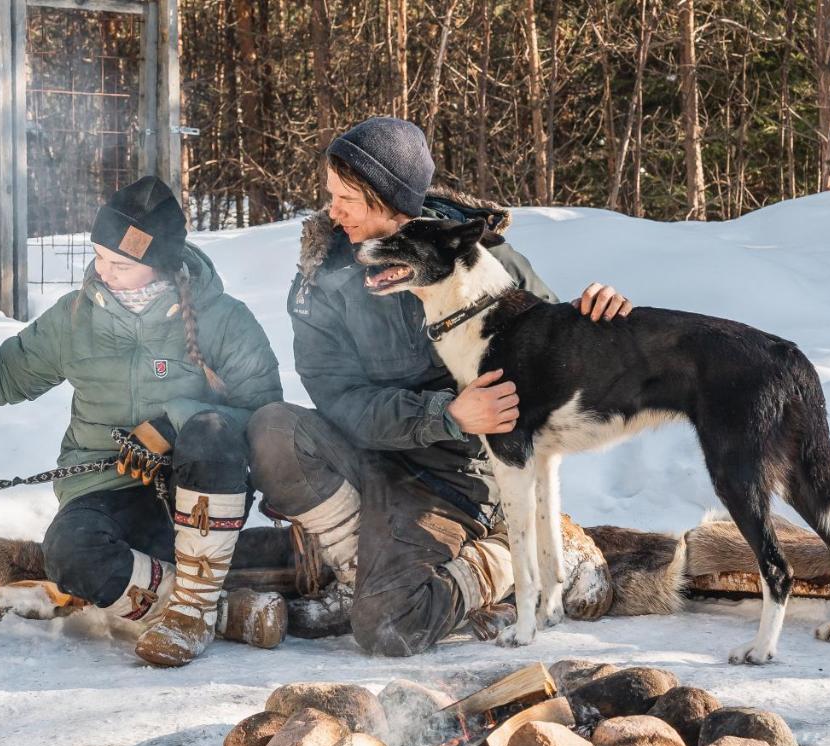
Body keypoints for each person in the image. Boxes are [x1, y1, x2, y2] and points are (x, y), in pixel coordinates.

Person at [249, 117, 633, 656]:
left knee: (388, 627)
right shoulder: (324, 278)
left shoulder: (488, 261)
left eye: (347, 199)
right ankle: (359, 569)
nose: (331, 211)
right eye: (330, 195)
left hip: (456, 479)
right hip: (371, 452)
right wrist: (447, 410)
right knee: (272, 429)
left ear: (390, 201)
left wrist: (600, 318)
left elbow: (558, 357)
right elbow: (341, 401)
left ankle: (498, 558)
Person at [0, 176, 283, 667]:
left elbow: (265, 412)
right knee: (70, 555)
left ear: (159, 262)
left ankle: (195, 607)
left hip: (195, 496)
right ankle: (212, 609)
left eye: (119, 263)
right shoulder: (76, 317)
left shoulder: (224, 319)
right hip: (102, 484)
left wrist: (175, 423)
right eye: (99, 255)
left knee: (211, 430)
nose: (103, 271)